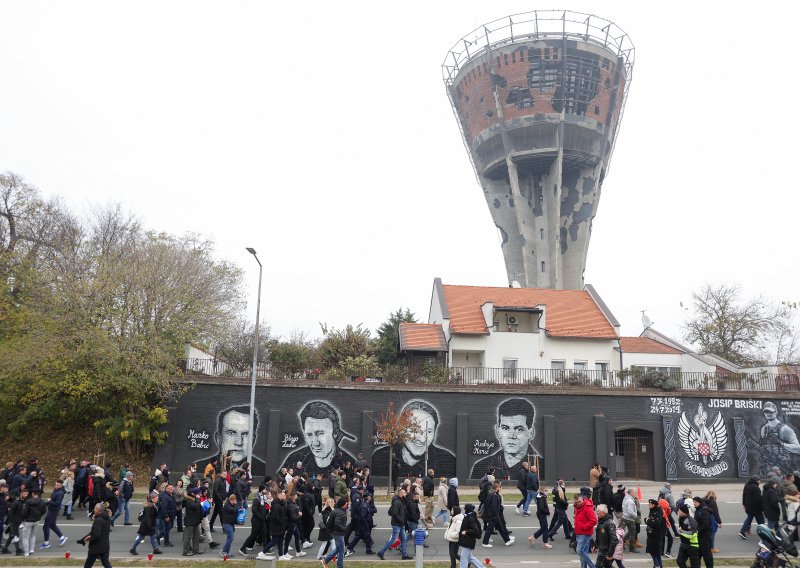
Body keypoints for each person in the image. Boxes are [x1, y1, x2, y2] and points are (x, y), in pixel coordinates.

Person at [372, 400, 456, 479]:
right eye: (414, 430)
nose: (422, 439)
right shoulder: (379, 457)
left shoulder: (448, 461)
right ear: (401, 429)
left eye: (429, 431)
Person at [470, 398, 540, 479]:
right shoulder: (481, 467)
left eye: (519, 429)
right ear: (497, 431)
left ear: (530, 433)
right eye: (505, 428)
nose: (511, 436)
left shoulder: (542, 467)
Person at [283, 402, 356, 476]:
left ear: (335, 433)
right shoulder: (293, 459)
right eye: (309, 434)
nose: (315, 443)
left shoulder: (350, 462)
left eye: (320, 433)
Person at [198, 405, 266, 477]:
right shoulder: (200, 467)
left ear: (253, 439)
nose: (239, 442)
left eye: (245, 434)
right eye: (231, 433)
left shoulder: (263, 469)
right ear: (218, 438)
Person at [377, 487, 410, 560]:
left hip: (401, 524)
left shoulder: (401, 500)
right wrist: (401, 520)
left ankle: (404, 555)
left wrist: (404, 498)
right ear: (401, 493)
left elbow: (405, 507)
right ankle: (381, 552)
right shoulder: (397, 502)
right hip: (397, 524)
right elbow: (394, 513)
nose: (406, 494)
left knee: (403, 539)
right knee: (393, 539)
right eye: (404, 493)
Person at [258, 489, 288, 560]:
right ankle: (263, 552)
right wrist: (281, 523)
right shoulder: (276, 505)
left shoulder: (281, 503)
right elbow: (275, 517)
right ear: (279, 495)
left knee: (280, 541)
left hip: (281, 526)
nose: (285, 497)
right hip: (276, 526)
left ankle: (281, 555)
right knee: (274, 541)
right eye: (283, 495)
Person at [40, 479, 68, 549]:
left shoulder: (60, 493)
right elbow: (52, 498)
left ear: (61, 485)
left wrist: (49, 502)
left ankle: (46, 543)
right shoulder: (56, 489)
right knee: (52, 525)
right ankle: (62, 537)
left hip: (53, 511)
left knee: (45, 526)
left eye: (58, 485)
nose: (56, 486)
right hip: (52, 509)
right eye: (56, 484)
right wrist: (47, 503)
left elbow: (57, 503)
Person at [81, 503, 112, 568]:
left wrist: (90, 540)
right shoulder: (107, 519)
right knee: (106, 564)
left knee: (87, 565)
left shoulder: (98, 520)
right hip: (105, 546)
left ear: (98, 510)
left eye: (95, 508)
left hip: (96, 548)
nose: (94, 510)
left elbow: (96, 535)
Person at [574, 487, 598, 568]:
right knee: (583, 552)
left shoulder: (587, 507)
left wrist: (584, 527)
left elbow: (594, 520)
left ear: (582, 499)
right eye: (577, 502)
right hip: (579, 532)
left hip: (584, 532)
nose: (578, 503)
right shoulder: (577, 506)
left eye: (580, 501)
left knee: (579, 550)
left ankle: (591, 565)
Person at [321, 497, 348, 568]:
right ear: (342, 505)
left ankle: (326, 561)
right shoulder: (340, 512)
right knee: (341, 550)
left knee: (339, 549)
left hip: (335, 532)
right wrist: (344, 529)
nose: (347, 504)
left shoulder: (336, 510)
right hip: (338, 533)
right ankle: (338, 565)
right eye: (346, 503)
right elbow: (337, 524)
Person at [21, 486, 46, 556]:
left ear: (33, 494)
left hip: (28, 521)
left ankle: (26, 552)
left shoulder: (28, 502)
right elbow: (44, 510)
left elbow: (25, 512)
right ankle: (32, 550)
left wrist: (23, 518)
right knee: (33, 535)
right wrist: (39, 516)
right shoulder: (42, 501)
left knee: (26, 536)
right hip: (36, 520)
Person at [457, 503, 484, 568]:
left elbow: (476, 530)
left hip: (468, 541)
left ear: (467, 509)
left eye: (465, 508)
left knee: (463, 559)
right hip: (467, 540)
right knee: (470, 557)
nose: (464, 509)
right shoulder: (468, 516)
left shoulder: (471, 518)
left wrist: (466, 532)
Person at [692, 495, 713, 568]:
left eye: (696, 502)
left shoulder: (703, 511)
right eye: (693, 502)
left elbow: (706, 524)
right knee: (697, 556)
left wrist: (697, 531)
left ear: (700, 503)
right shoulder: (697, 510)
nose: (694, 503)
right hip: (699, 537)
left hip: (705, 538)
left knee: (707, 556)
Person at [676, 504, 700, 568]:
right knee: (679, 561)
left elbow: (693, 534)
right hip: (683, 544)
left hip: (692, 545)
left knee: (695, 565)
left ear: (684, 512)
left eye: (679, 511)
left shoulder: (691, 521)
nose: (678, 512)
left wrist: (681, 532)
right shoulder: (681, 518)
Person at [182, 487, 203, 556]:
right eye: (198, 493)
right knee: (188, 537)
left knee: (196, 536)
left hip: (196, 520)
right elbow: (196, 506)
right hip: (190, 521)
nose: (199, 494)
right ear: (193, 494)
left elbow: (199, 507)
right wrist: (197, 499)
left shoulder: (194, 499)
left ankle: (196, 549)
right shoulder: (188, 500)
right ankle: (185, 551)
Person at [645, 499, 665, 568]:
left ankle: (657, 565)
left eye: (650, 504)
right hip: (652, 535)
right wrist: (647, 520)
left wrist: (648, 521)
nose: (648, 505)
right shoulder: (653, 511)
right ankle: (659, 565)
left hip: (656, 536)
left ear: (653, 505)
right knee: (656, 552)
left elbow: (657, 524)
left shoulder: (657, 513)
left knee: (653, 552)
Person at [219, 494, 238, 558]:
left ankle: (227, 552)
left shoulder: (232, 504)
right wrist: (236, 505)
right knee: (231, 538)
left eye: (235, 500)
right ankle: (223, 551)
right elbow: (234, 510)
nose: (234, 502)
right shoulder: (227, 505)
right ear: (230, 500)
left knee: (229, 538)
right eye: (233, 501)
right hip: (227, 524)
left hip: (231, 523)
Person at [621, 488, 638, 553]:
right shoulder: (630, 501)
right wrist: (635, 516)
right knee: (633, 533)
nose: (635, 494)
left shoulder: (626, 498)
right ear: (630, 493)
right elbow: (630, 511)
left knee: (630, 532)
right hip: (630, 519)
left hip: (625, 517)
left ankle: (622, 542)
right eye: (634, 492)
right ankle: (631, 548)